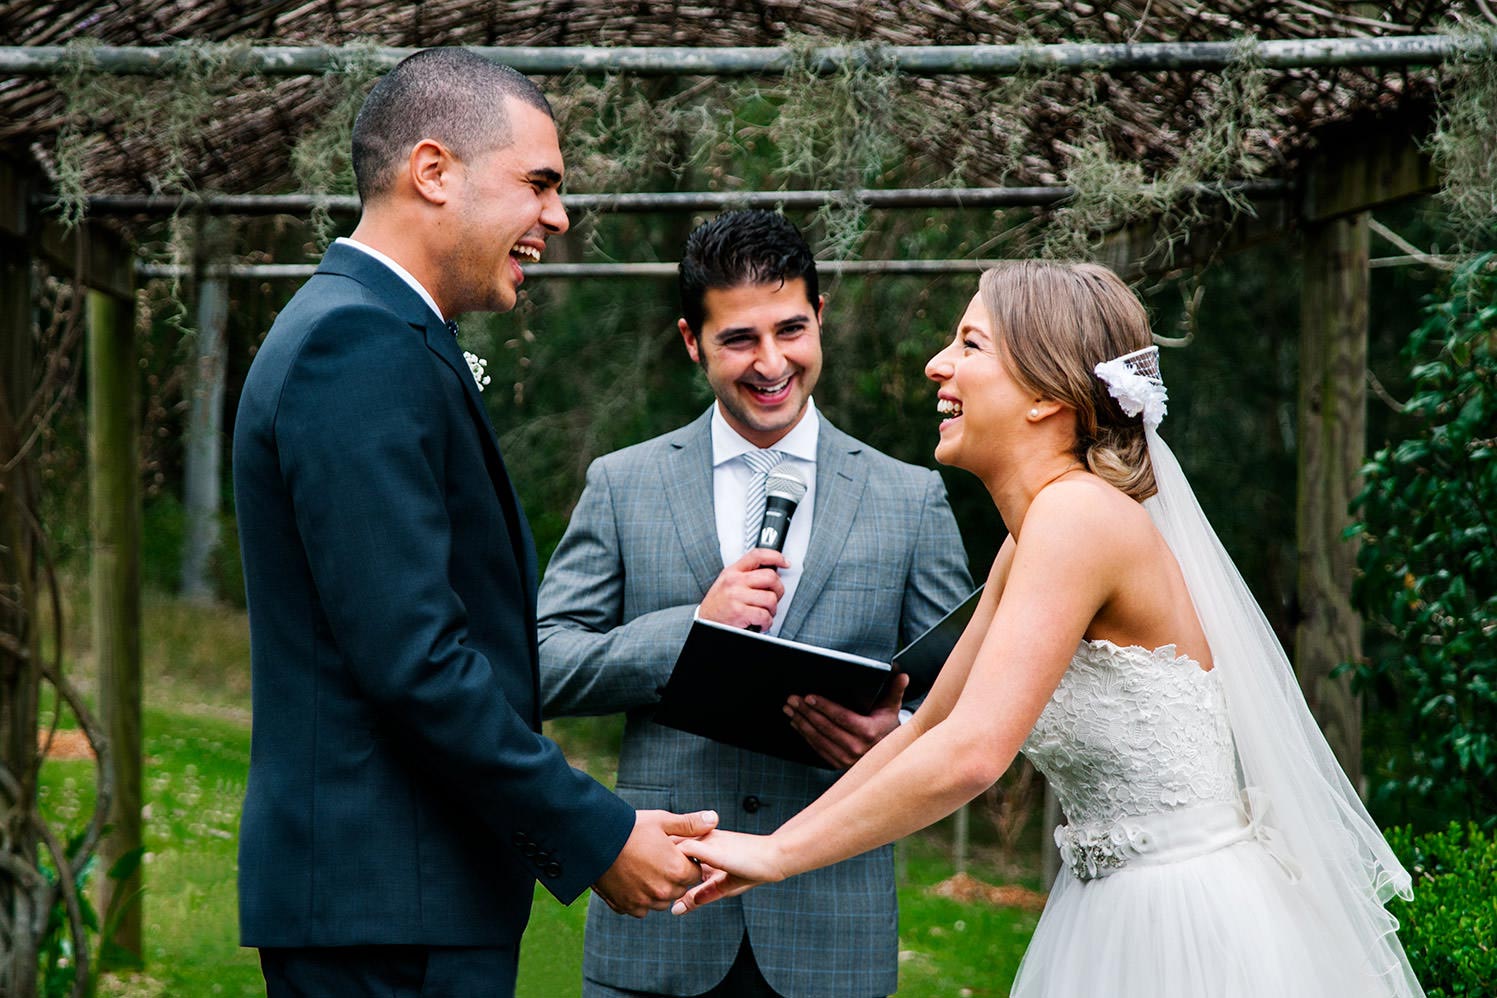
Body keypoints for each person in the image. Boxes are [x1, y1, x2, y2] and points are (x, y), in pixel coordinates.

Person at [672, 260, 1427, 998]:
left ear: (1046, 396)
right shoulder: (1034, 530)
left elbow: (972, 755)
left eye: (969, 345)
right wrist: (772, 846)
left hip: (1180, 919)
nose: (938, 365)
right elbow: (930, 725)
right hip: (1107, 907)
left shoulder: (1075, 517)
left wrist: (778, 856)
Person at [232, 48, 714, 997]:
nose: (558, 217)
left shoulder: (383, 331)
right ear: (433, 170)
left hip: (399, 898)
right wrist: (596, 831)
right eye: (539, 182)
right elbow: (414, 660)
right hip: (385, 910)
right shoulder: (355, 344)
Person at [537, 208, 972, 998]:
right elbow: (543, 665)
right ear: (689, 340)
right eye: (739, 338)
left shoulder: (910, 499)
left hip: (829, 934)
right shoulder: (622, 482)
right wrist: (688, 631)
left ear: (820, 320)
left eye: (791, 330)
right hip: (659, 923)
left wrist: (894, 736)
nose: (771, 363)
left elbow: (964, 699)